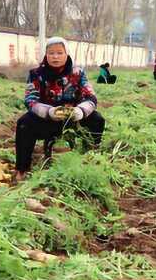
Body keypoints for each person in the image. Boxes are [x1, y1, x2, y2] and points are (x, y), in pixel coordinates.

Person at [15, 37, 105, 181]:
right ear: (46, 55)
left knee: (97, 120)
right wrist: (48, 112)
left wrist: (80, 111)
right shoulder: (36, 74)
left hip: (73, 119)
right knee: (24, 123)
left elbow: (91, 97)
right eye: (51, 53)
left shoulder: (78, 73)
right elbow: (30, 100)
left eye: (59, 53)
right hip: (47, 119)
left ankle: (90, 158)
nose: (55, 56)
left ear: (66, 54)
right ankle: (22, 168)